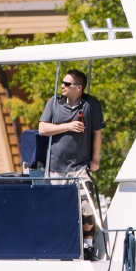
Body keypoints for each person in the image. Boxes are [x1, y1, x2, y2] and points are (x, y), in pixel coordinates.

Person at [39, 68, 105, 258]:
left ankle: (88, 245)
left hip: (80, 166)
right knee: (59, 209)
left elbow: (97, 132)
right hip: (56, 167)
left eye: (67, 84)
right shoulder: (54, 102)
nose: (62, 86)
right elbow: (42, 129)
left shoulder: (90, 104)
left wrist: (95, 159)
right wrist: (67, 126)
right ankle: (60, 246)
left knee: (86, 205)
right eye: (63, 83)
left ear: (79, 87)